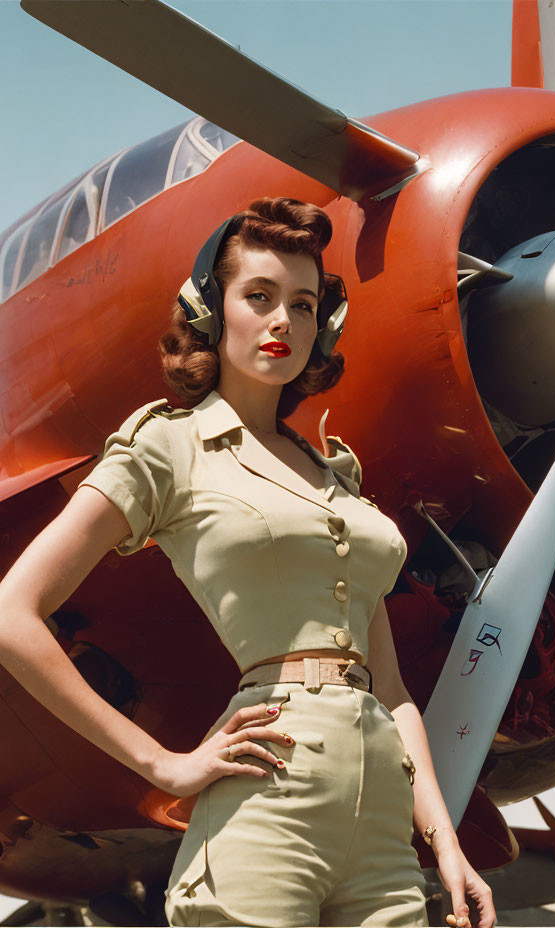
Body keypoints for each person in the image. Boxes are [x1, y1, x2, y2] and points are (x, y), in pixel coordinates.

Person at [0, 197, 496, 928]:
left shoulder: (339, 479)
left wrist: (445, 842)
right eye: (258, 297)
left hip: (384, 827)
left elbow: (389, 690)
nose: (282, 323)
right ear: (211, 308)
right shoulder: (167, 447)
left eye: (302, 305)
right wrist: (163, 766)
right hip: (269, 797)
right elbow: (14, 612)